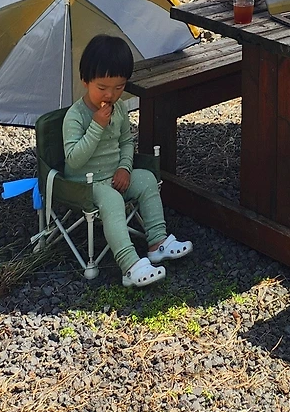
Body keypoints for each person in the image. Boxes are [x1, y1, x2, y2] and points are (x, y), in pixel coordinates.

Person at [63, 34, 193, 288]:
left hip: (113, 176)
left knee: (147, 179)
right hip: (84, 183)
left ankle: (157, 243)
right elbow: (74, 160)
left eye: (119, 87)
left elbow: (125, 141)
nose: (111, 94)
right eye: (102, 87)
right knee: (112, 200)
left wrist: (125, 167)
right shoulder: (75, 116)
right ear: (85, 80)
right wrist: (96, 126)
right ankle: (129, 265)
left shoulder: (120, 109)